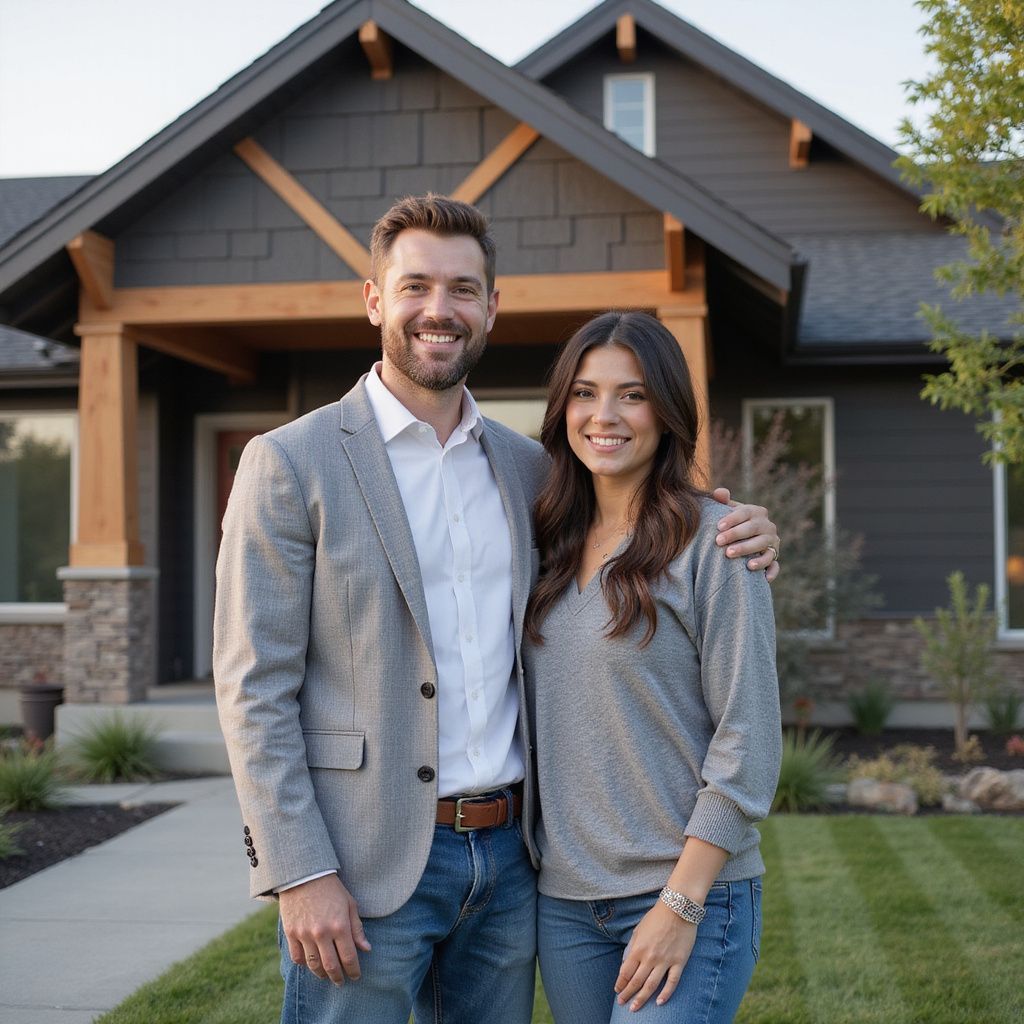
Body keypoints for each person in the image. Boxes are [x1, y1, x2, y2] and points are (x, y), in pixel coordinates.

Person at [214, 195, 780, 1024]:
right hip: (364, 867)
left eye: (462, 289)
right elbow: (251, 687)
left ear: (491, 307)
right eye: (414, 287)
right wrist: (298, 872)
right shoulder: (290, 464)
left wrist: (743, 528)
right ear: (375, 300)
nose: (438, 310)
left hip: (514, 867)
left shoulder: (528, 474)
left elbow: (655, 531)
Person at [524, 311, 783, 1024]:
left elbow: (749, 740)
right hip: (567, 905)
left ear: (667, 411)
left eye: (631, 395)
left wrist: (680, 903)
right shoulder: (542, 540)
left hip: (688, 891)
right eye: (584, 393)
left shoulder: (719, 544)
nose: (604, 415)